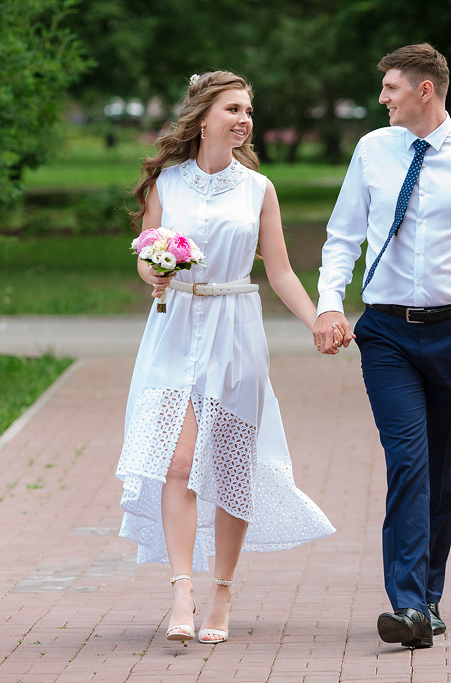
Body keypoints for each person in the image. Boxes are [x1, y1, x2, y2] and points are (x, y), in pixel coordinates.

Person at [312, 43, 451, 648]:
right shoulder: (371, 151)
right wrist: (330, 303)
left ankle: (430, 597)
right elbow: (342, 236)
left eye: (390, 88)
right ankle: (408, 606)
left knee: (443, 471)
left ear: (425, 90)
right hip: (384, 333)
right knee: (408, 461)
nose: (381, 98)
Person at [117, 70, 335, 648]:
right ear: (204, 116)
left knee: (232, 467)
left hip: (236, 330)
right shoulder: (169, 182)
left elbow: (281, 270)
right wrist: (156, 271)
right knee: (179, 462)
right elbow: (146, 251)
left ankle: (223, 589)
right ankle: (181, 588)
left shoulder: (258, 190)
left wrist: (318, 321)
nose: (244, 120)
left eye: (248, 111)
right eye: (233, 109)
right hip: (175, 326)